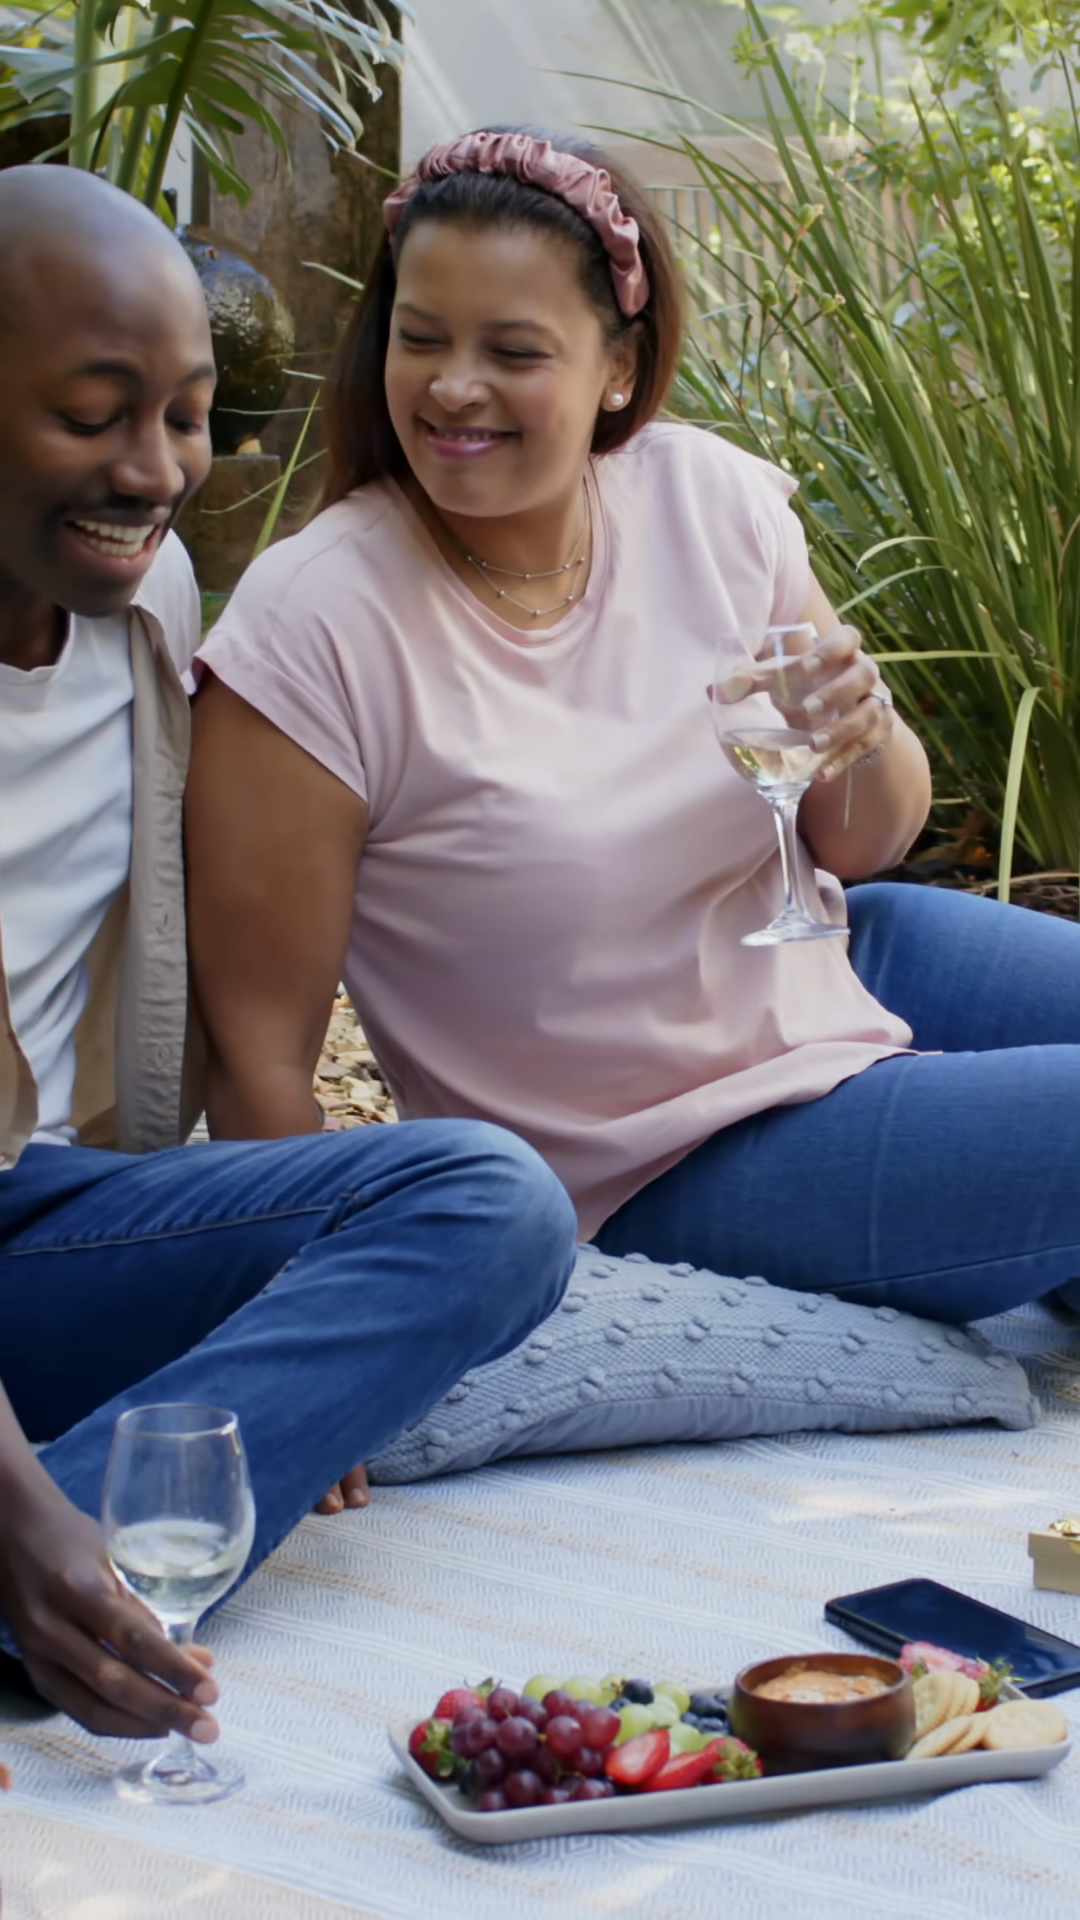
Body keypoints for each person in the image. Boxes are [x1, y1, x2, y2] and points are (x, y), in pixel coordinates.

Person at [190, 126, 1080, 1335]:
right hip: (654, 1163)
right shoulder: (314, 625)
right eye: (420, 337)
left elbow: (864, 844)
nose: (452, 387)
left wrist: (859, 733)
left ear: (617, 367)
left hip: (835, 965)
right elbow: (257, 1059)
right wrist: (311, 1336)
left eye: (513, 350)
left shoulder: (701, 496)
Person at [0, 164, 577, 1743]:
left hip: (42, 1219)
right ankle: (46, 1566)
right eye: (92, 415)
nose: (154, 470)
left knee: (487, 1200)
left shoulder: (146, 609)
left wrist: (295, 1336)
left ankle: (55, 1572)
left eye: (188, 416)